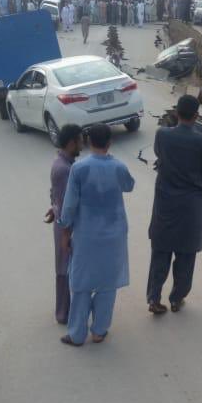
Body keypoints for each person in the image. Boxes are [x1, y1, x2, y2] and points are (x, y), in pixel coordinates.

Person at [58, 123, 135, 346]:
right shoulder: (119, 167)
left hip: (86, 236)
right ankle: (99, 331)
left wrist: (64, 231)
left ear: (89, 142)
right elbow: (129, 186)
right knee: (107, 284)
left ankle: (76, 334)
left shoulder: (79, 169)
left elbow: (70, 206)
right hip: (114, 236)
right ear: (109, 143)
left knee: (81, 284)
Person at [146, 95, 202, 315]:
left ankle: (153, 298)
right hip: (190, 205)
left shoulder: (162, 135)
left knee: (160, 252)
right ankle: (177, 298)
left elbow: (160, 154)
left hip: (165, 203)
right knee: (186, 256)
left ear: (177, 113)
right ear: (196, 115)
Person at [44, 125, 82, 324]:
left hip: (61, 221)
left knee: (66, 267)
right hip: (65, 226)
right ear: (71, 143)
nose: (82, 144)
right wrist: (67, 233)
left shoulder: (61, 163)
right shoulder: (64, 169)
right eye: (80, 140)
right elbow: (68, 205)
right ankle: (63, 313)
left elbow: (55, 195)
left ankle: (65, 310)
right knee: (65, 268)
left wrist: (53, 207)